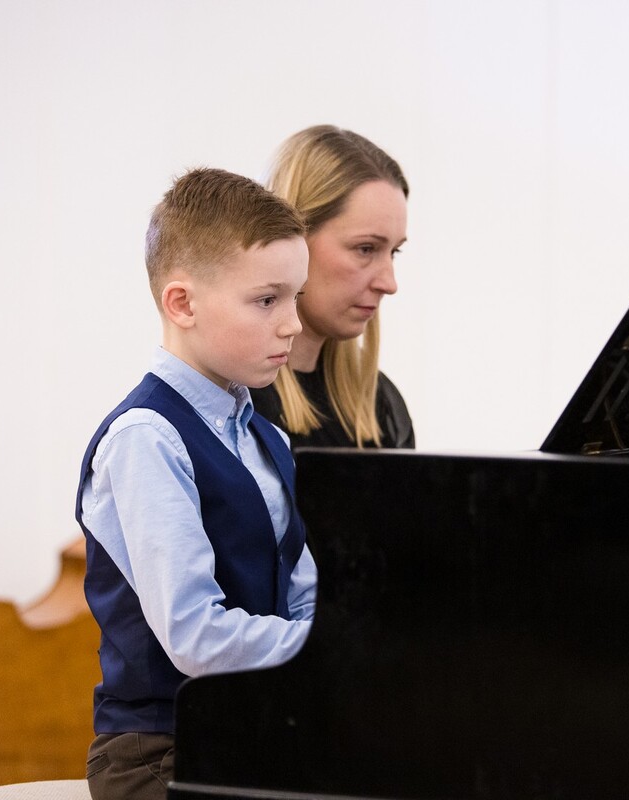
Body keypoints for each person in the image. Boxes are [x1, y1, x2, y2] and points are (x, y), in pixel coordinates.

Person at [75, 168, 316, 800]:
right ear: (182, 304)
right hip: (160, 750)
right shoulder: (146, 437)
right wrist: (333, 649)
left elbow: (304, 594)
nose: (293, 323)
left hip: (257, 728)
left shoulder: (267, 437)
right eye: (267, 300)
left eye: (296, 297)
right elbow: (195, 634)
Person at [250, 125, 415, 449]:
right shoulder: (229, 410)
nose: (389, 283)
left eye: (394, 252)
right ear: (293, 240)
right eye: (365, 249)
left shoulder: (383, 407)